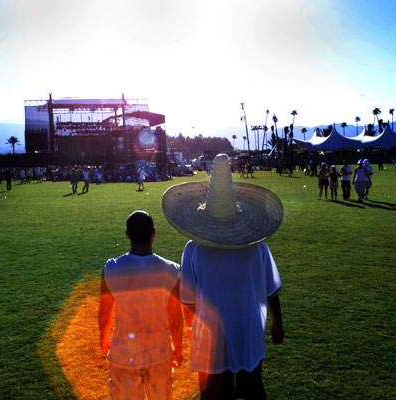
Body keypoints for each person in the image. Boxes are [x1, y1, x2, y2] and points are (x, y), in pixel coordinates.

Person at [162, 153, 284, 400]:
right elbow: (271, 289)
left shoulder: (194, 248)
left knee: (217, 392)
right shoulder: (256, 245)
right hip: (249, 327)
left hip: (211, 333)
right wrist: (277, 322)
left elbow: (188, 299)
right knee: (253, 386)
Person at [98, 210, 183, 400]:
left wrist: (104, 338)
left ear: (127, 235)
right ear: (153, 233)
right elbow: (175, 317)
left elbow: (105, 311)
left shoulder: (112, 268)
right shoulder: (170, 270)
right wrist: (178, 347)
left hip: (124, 352)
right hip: (159, 353)